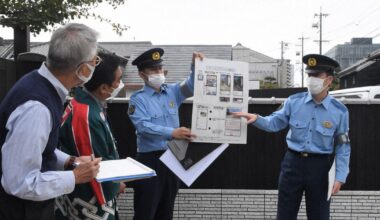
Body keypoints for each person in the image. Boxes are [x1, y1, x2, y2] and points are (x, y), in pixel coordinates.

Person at [0, 23, 102, 220]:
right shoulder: (37, 108)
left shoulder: (38, 82)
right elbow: (20, 183)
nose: (95, 66)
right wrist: (75, 176)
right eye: (94, 61)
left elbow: (35, 147)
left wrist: (70, 161)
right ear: (82, 70)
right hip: (20, 211)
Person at [233, 54, 350, 220]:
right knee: (285, 215)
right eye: (309, 75)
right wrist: (256, 119)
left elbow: (343, 146)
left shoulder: (340, 111)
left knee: (319, 216)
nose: (311, 79)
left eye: (317, 75)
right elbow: (274, 122)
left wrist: (340, 175)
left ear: (329, 80)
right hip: (292, 164)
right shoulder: (293, 102)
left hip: (321, 168)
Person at [127, 48, 204, 220]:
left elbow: (191, 86)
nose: (159, 73)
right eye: (153, 70)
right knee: (145, 211)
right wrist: (173, 132)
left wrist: (195, 65)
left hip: (173, 158)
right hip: (149, 161)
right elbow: (143, 126)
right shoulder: (138, 99)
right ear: (141, 74)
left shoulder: (172, 91)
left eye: (160, 69)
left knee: (166, 211)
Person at [55, 51, 126, 219]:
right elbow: (93, 162)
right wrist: (115, 185)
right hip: (89, 199)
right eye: (118, 80)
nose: (120, 84)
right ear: (103, 88)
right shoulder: (85, 115)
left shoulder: (84, 103)